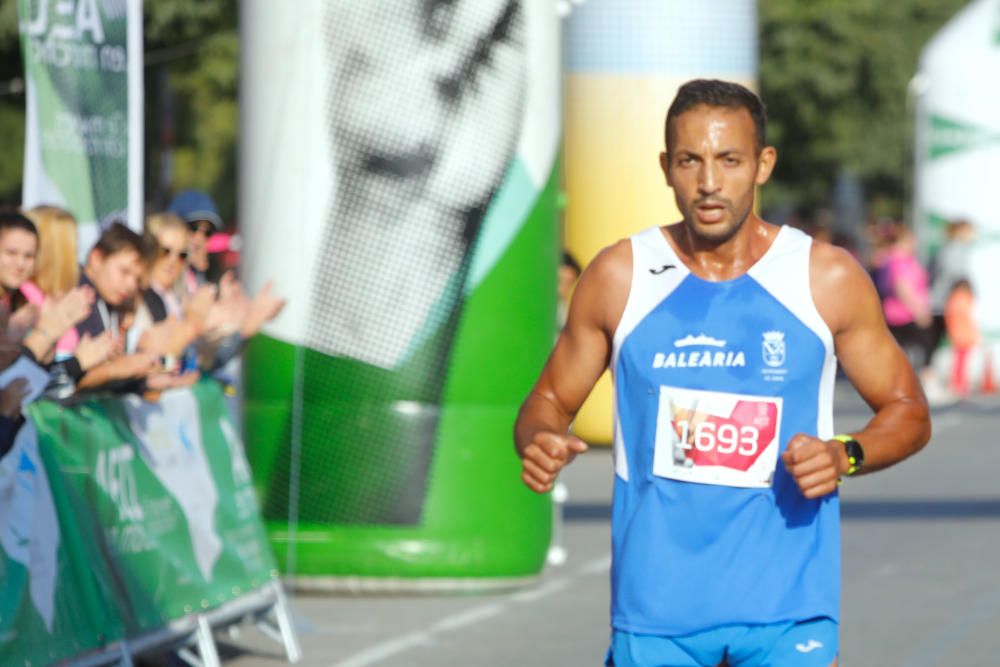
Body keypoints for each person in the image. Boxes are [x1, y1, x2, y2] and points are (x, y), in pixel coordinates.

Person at [514, 79, 931, 667]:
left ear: (763, 165)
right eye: (691, 161)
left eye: (729, 160)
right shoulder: (620, 276)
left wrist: (845, 454)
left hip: (789, 612)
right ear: (666, 167)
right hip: (657, 614)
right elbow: (548, 400)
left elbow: (908, 411)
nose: (709, 183)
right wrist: (538, 438)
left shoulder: (824, 277)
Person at [167, 189, 225, 286]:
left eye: (208, 232)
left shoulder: (199, 272)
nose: (200, 238)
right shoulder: (161, 271)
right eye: (193, 227)